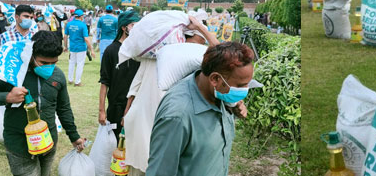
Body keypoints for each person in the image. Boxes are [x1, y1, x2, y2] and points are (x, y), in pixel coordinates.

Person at [0, 31, 86, 176]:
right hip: (19, 144)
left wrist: (74, 136)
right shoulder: (11, 74)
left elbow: (64, 108)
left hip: (48, 142)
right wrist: (7, 97)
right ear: (31, 55)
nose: (49, 67)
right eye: (43, 62)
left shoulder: (58, 75)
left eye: (53, 63)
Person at [146, 42, 257, 176]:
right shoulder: (178, 116)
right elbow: (159, 171)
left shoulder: (221, 95)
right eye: (240, 86)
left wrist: (233, 106)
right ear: (215, 79)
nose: (244, 91)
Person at [123, 15, 209, 175]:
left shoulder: (165, 55)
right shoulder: (175, 54)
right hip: (154, 119)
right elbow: (136, 83)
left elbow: (134, 87)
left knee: (146, 161)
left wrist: (127, 113)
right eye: (201, 40)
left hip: (153, 119)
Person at [98, 10, 140, 138]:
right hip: (116, 107)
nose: (136, 29)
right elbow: (105, 82)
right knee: (116, 144)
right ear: (124, 27)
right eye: (133, 25)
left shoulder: (139, 51)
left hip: (136, 105)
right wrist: (101, 111)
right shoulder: (111, 51)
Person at [64, 9, 94, 87]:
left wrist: (65, 47)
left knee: (71, 63)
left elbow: (65, 36)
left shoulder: (69, 24)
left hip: (72, 47)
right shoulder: (83, 25)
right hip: (81, 48)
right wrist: (91, 50)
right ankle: (77, 82)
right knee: (80, 64)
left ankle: (70, 80)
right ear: (81, 16)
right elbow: (86, 39)